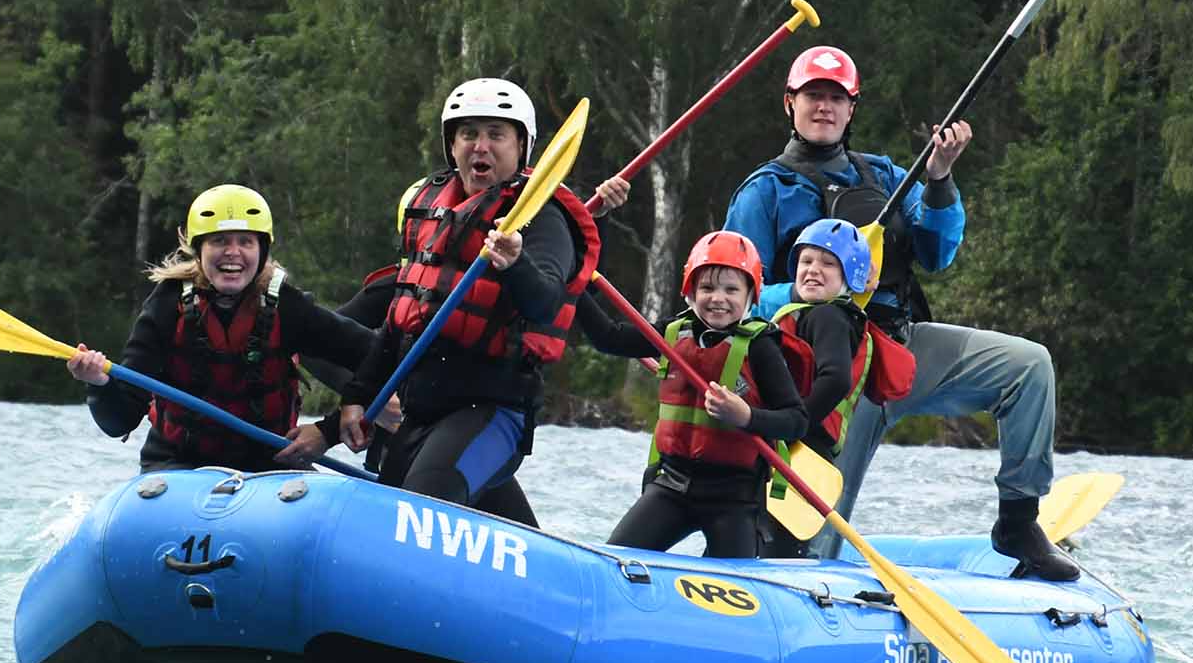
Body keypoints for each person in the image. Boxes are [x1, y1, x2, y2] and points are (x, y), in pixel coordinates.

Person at [724, 44, 1078, 581]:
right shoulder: (765, 190)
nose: (825, 108)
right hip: (827, 375)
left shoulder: (889, 177)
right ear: (790, 103)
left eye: (836, 98)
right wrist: (810, 297)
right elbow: (737, 297)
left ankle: (1017, 519)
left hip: (898, 349)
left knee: (1029, 367)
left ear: (851, 108)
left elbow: (938, 253)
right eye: (813, 96)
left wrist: (938, 177)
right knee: (813, 545)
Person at [336, 78, 601, 520]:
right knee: (404, 511)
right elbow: (402, 320)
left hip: (493, 411)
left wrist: (515, 262)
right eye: (469, 134)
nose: (481, 146)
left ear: (521, 146)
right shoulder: (430, 210)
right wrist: (358, 394)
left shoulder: (544, 218)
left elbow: (545, 304)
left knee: (421, 510)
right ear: (451, 145)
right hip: (420, 411)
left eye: (496, 135)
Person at [68, 185, 376, 473]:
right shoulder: (166, 306)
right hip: (178, 466)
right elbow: (119, 422)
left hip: (271, 466)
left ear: (262, 251)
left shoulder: (289, 307)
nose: (233, 252)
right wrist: (99, 383)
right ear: (199, 250)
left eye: (245, 241)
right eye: (219, 241)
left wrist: (330, 429)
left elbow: (379, 357)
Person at [582, 231, 810, 558]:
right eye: (707, 287)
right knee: (613, 561)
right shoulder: (673, 332)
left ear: (750, 294)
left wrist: (746, 416)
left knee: (736, 589)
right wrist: (574, 287)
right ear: (690, 292)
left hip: (733, 496)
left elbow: (796, 421)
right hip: (671, 486)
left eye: (732, 289)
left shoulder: (761, 348)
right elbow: (610, 338)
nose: (718, 298)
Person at [756, 218, 914, 558]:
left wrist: (792, 424)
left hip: (803, 448)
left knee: (773, 541)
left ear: (848, 279)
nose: (814, 270)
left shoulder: (829, 318)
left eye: (829, 263)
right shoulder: (805, 313)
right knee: (770, 538)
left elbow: (836, 380)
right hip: (790, 445)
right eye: (807, 261)